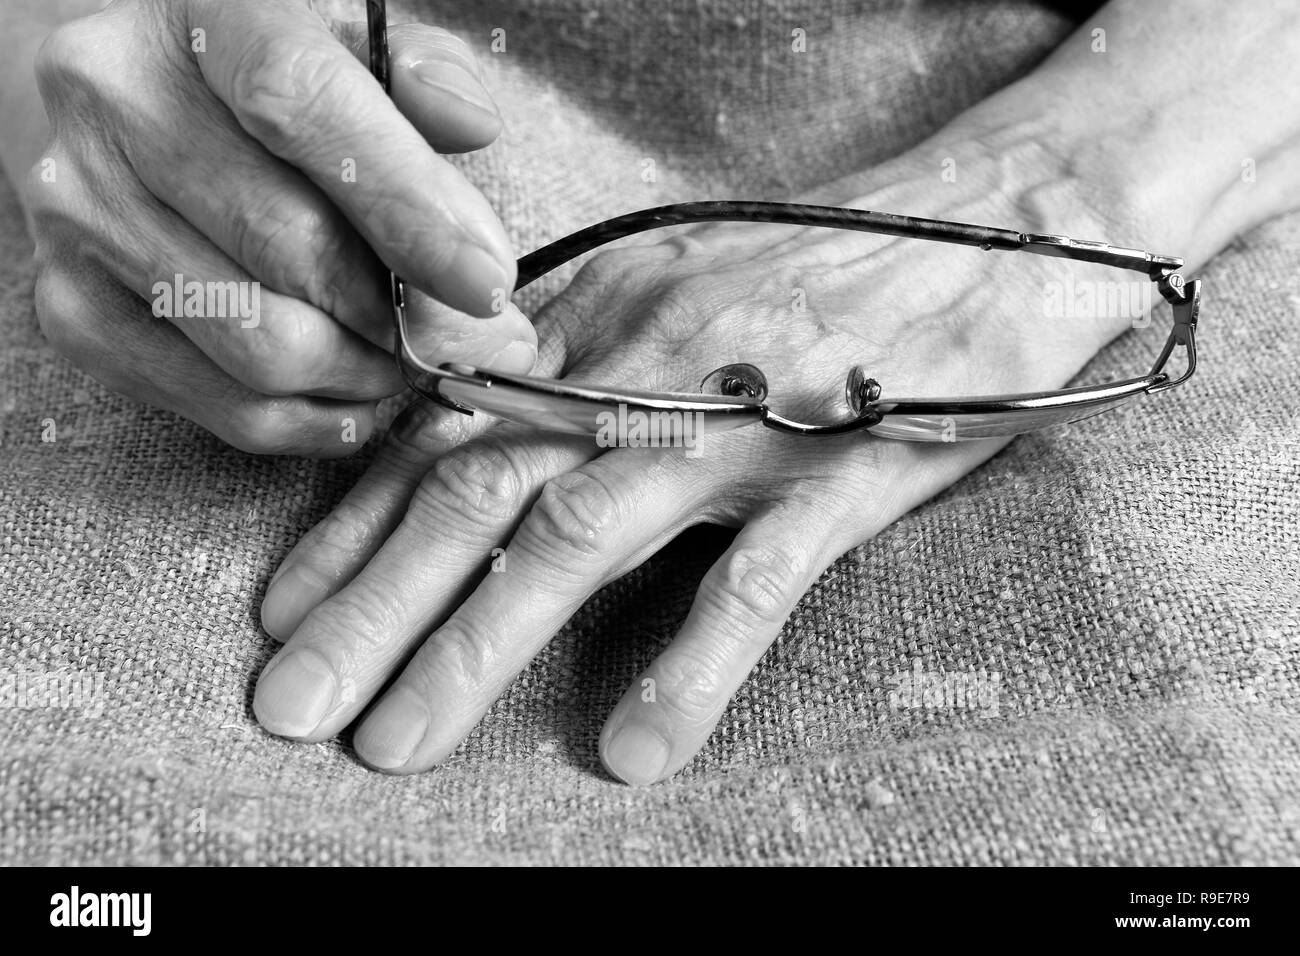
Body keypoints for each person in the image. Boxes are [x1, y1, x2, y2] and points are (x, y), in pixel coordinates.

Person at [1, 0, 1297, 786]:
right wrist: (81, 82)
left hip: (1164, 141)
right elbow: (90, 51)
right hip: (316, 227)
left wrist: (1054, 187)